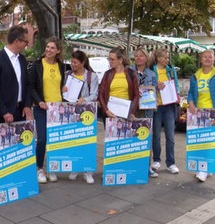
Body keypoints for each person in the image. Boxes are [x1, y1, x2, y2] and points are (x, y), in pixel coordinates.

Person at [187, 50, 215, 182]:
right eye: (204, 57)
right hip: (198, 113)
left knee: (209, 142)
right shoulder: (195, 76)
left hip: (214, 113)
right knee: (201, 141)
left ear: (213, 59)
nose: (207, 59)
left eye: (210, 57)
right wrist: (191, 104)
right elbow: (190, 93)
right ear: (201, 59)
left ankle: (203, 169)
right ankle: (206, 167)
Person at [29, 37, 66, 184]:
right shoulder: (37, 65)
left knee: (54, 140)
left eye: (52, 48)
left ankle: (52, 168)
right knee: (42, 139)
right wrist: (39, 101)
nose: (48, 50)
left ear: (58, 51)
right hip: (42, 108)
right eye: (47, 47)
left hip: (57, 109)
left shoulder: (62, 66)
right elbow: (31, 86)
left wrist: (64, 89)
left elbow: (62, 84)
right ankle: (39, 168)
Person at [0, 25, 33, 124]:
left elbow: (27, 85)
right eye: (26, 42)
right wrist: (4, 111)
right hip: (2, 115)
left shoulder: (22, 59)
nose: (27, 45)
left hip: (20, 112)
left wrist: (27, 105)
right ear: (17, 41)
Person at [65, 50, 99, 184]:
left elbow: (94, 94)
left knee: (88, 142)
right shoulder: (68, 74)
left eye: (75, 62)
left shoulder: (91, 76)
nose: (73, 65)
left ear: (83, 62)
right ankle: (75, 167)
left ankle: (88, 171)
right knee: (74, 141)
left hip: (87, 114)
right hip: (72, 113)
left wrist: (84, 100)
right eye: (71, 62)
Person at [149, 48, 180, 175]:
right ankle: (156, 160)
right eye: (165, 58)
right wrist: (157, 85)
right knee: (156, 135)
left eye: (168, 58)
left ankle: (171, 162)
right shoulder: (152, 70)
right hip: (157, 106)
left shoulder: (171, 70)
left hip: (169, 105)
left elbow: (176, 84)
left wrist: (177, 94)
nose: (167, 60)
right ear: (158, 58)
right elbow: (148, 85)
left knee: (170, 136)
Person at [130, 48, 158, 178]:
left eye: (141, 56)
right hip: (134, 108)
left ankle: (147, 166)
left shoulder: (151, 74)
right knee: (132, 136)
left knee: (147, 137)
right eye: (136, 56)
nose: (138, 58)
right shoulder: (129, 71)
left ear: (146, 58)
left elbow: (154, 91)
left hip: (147, 110)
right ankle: (133, 164)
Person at [98, 48, 140, 130]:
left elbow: (136, 94)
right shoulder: (107, 74)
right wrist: (106, 110)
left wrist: (131, 112)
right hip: (110, 112)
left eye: (112, 59)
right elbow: (101, 94)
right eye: (109, 59)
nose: (110, 61)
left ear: (120, 60)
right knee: (111, 139)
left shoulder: (131, 73)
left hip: (125, 111)